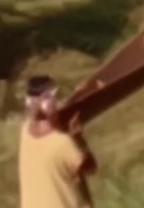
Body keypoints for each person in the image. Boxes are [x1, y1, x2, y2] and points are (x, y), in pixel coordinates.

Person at [19, 75, 96, 208]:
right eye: (55, 98)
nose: (58, 103)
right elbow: (91, 168)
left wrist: (77, 95)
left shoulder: (25, 131)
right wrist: (79, 138)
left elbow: (50, 117)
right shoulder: (63, 143)